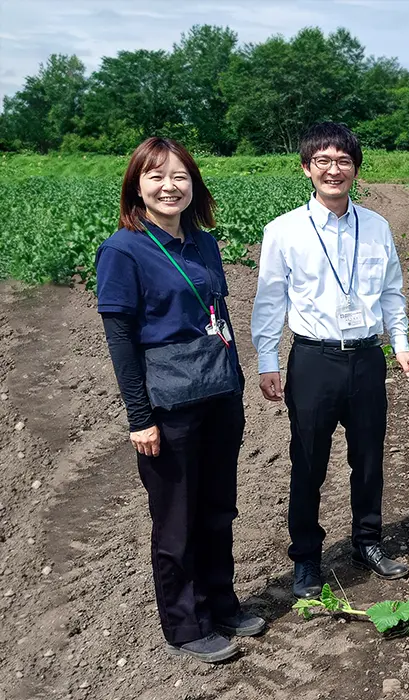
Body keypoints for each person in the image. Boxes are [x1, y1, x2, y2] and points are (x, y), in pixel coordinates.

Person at [95, 137, 265, 663]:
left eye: (180, 177)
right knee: (176, 520)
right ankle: (185, 625)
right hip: (169, 406)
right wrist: (139, 419)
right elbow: (121, 341)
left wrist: (236, 382)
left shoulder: (203, 242)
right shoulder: (123, 250)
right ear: (137, 186)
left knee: (218, 508)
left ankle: (223, 603)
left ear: (194, 185)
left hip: (218, 395)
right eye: (156, 176)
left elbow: (220, 318)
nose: (170, 186)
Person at [251, 122, 409, 599]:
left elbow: (391, 293)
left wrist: (400, 344)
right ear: (307, 168)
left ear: (356, 169)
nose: (333, 169)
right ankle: (306, 558)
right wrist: (269, 360)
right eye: (322, 161)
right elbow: (270, 301)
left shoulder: (377, 226)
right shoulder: (283, 231)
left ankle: (368, 542)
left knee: (368, 459)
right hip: (314, 360)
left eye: (343, 161)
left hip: (367, 358)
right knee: (308, 463)